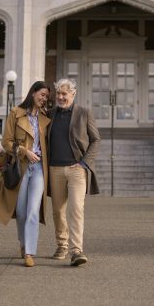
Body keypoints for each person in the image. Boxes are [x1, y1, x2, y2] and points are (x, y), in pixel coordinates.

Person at [0, 81, 51, 267]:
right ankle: (23, 243)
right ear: (33, 92)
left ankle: (29, 252)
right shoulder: (16, 114)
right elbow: (6, 142)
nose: (44, 99)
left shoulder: (45, 118)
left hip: (39, 169)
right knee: (20, 211)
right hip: (20, 166)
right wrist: (24, 151)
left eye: (46, 97)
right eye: (42, 94)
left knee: (33, 210)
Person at [47, 78, 100, 266]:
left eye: (64, 94)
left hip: (77, 169)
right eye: (58, 93)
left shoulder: (84, 114)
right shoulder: (49, 114)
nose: (60, 97)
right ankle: (62, 244)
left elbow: (96, 140)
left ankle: (76, 250)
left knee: (76, 208)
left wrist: (85, 163)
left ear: (73, 94)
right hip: (54, 169)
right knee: (58, 210)